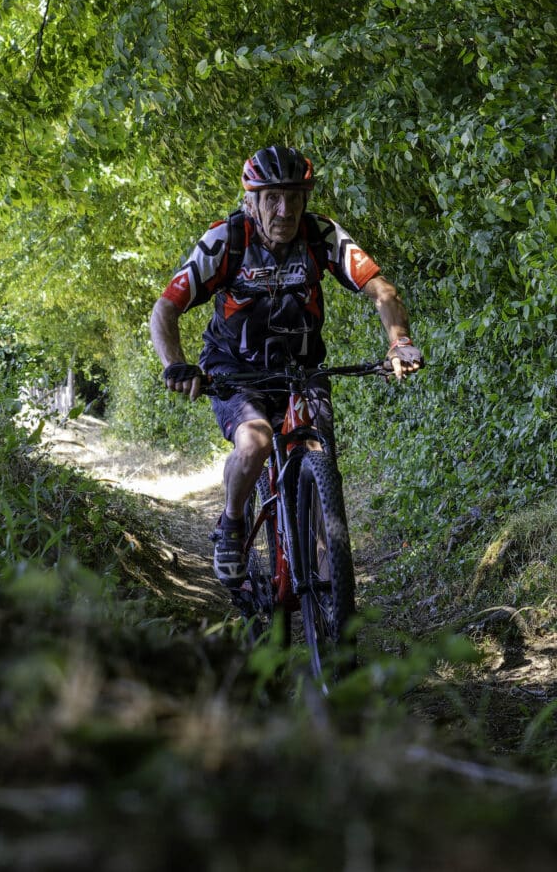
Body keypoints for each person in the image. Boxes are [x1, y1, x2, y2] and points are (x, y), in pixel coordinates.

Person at [149, 144, 423, 586]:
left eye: (295, 197)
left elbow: (382, 292)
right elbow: (165, 309)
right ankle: (232, 524)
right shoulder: (226, 240)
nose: (285, 209)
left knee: (317, 453)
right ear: (250, 201)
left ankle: (327, 577)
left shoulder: (321, 237)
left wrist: (400, 343)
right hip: (234, 368)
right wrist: (176, 365)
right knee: (255, 442)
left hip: (301, 367)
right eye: (272, 197)